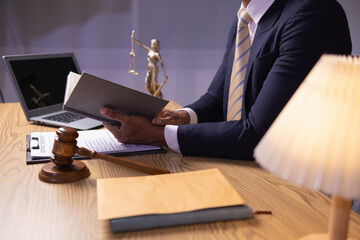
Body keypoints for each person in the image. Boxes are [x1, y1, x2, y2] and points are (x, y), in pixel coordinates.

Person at [100, 0, 352, 161]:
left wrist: (156, 135)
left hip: (294, 184)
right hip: (243, 164)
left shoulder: (313, 14)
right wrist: (184, 117)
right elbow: (217, 99)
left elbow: (259, 135)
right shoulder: (244, 18)